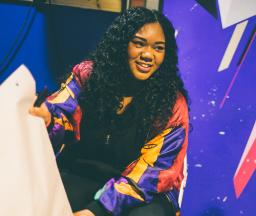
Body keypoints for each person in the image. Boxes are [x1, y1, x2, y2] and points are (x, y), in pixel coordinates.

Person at [30, 7, 190, 216]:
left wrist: (97, 210)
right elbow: (60, 112)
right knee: (38, 194)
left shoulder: (171, 104)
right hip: (86, 173)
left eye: (158, 48)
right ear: (122, 44)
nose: (148, 55)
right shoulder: (88, 76)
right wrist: (49, 119)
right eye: (139, 44)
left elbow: (151, 174)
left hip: (142, 191)